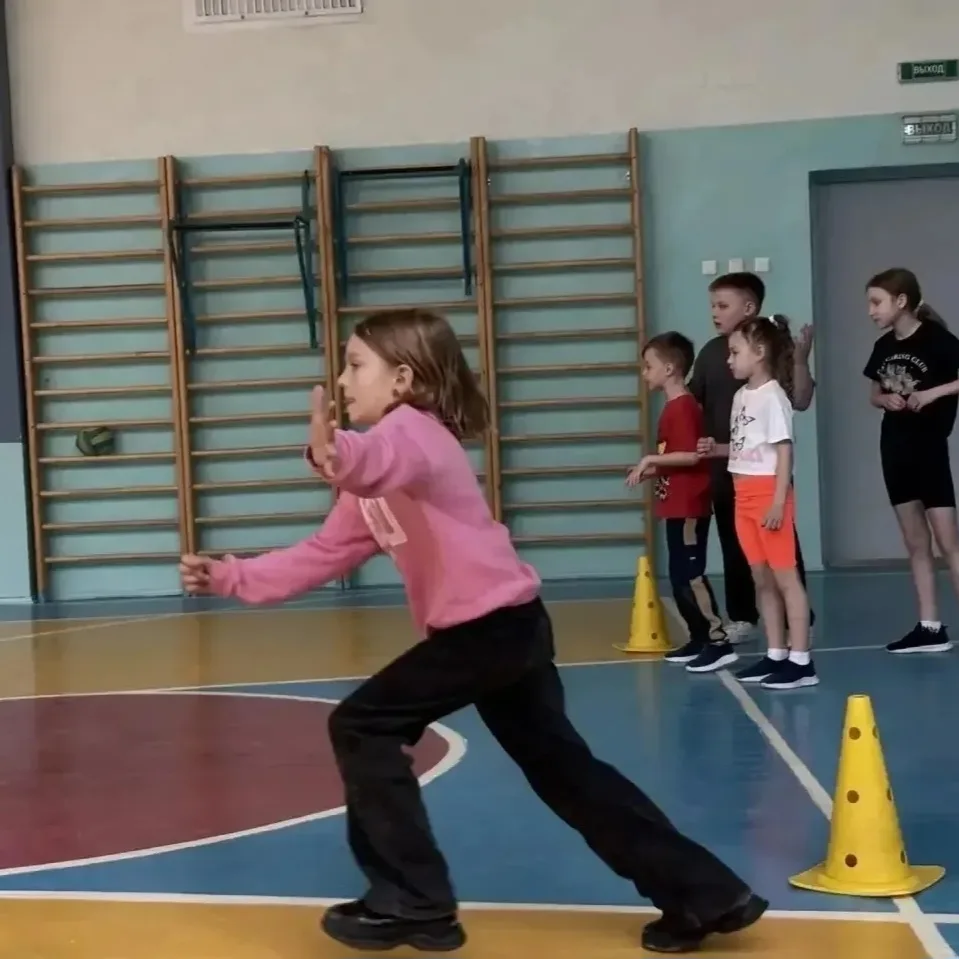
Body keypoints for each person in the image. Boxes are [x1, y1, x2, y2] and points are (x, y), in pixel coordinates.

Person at [179, 308, 767, 955]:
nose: (343, 380)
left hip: (489, 631)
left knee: (362, 724)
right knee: (567, 773)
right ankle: (705, 893)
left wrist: (334, 451)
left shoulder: (414, 433)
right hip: (508, 630)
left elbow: (370, 458)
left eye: (355, 365)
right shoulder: (377, 478)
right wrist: (231, 576)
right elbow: (324, 552)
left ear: (403, 379)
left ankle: (414, 901)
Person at [689, 273, 815, 641]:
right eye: (713, 305)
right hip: (730, 469)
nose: (715, 312)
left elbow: (801, 400)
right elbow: (695, 401)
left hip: (766, 478)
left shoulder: (774, 358)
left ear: (749, 307)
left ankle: (796, 625)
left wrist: (801, 360)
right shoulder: (711, 353)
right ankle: (744, 615)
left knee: (782, 554)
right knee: (736, 545)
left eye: (722, 305)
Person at [627, 332, 736, 672]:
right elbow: (674, 456)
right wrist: (652, 468)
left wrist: (651, 460)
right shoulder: (672, 407)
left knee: (691, 574)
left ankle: (718, 641)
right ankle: (699, 636)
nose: (644, 373)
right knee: (678, 576)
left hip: (689, 505)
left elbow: (692, 456)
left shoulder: (685, 407)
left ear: (670, 368)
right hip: (675, 505)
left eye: (649, 366)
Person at [863, 267, 959, 654]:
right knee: (916, 542)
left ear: (901, 301)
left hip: (929, 449)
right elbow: (874, 393)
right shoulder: (883, 346)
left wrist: (933, 394)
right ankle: (930, 627)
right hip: (894, 449)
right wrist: (884, 399)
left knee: (948, 542)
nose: (871, 311)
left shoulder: (937, 339)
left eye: (877, 302)